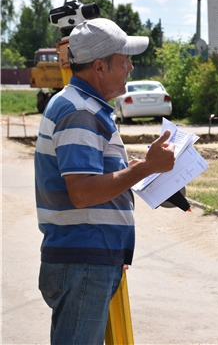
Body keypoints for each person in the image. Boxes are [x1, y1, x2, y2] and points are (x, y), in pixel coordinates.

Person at [34, 18, 176, 344]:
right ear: (100, 67)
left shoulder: (85, 107)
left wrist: (141, 170)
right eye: (124, 60)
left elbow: (94, 179)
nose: (131, 67)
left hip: (88, 260)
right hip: (84, 263)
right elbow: (82, 192)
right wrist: (142, 169)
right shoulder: (80, 112)